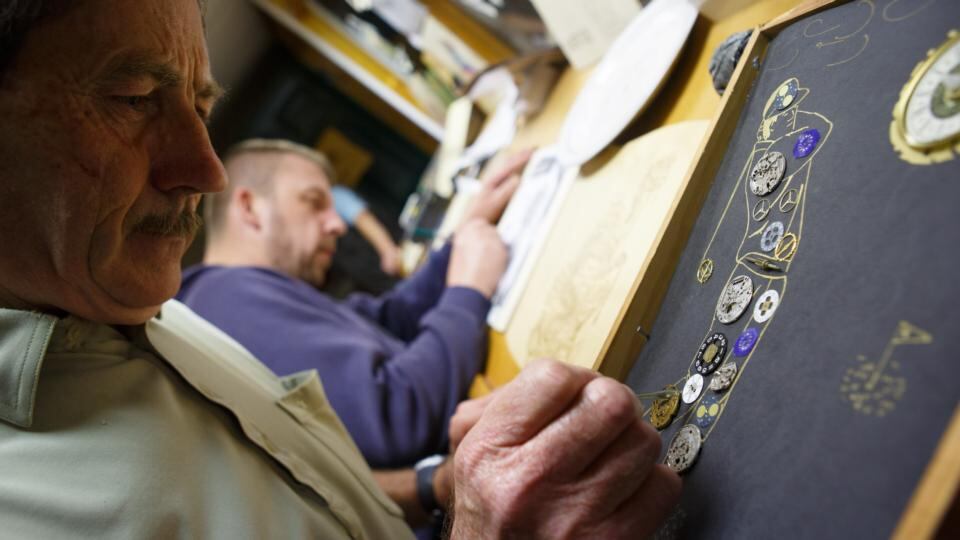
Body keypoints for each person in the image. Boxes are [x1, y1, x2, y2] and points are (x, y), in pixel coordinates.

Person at [0, 0, 681, 538]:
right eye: (134, 97)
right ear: (250, 208)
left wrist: (433, 488)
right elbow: (396, 417)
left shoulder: (146, 310)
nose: (204, 168)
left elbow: (315, 481)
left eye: (202, 109)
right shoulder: (220, 296)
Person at [178, 138, 528, 528]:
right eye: (313, 202)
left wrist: (462, 236)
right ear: (249, 207)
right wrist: (469, 291)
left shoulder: (253, 289)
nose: (337, 224)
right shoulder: (227, 300)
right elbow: (397, 418)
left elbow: (389, 319)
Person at [330, 182, 404, 276]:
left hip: (396, 252)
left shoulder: (333, 196)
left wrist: (388, 251)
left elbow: (363, 218)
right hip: (373, 273)